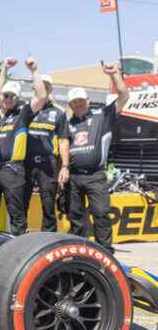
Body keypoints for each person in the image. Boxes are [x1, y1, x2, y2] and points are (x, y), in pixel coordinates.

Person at [65, 63, 129, 250]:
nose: (78, 104)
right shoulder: (67, 124)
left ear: (88, 99)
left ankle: (105, 251)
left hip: (95, 176)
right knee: (75, 216)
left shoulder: (103, 115)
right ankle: (76, 250)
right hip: (74, 176)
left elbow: (124, 96)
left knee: (101, 214)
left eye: (81, 100)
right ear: (70, 104)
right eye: (74, 102)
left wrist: (115, 75)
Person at [0, 58, 47, 234]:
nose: (8, 98)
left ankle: (17, 251)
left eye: (12, 96)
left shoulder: (22, 114)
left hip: (12, 170)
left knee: (16, 215)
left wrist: (34, 70)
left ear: (17, 98)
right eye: (5, 95)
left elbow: (41, 97)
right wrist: (4, 68)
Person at [14, 71, 70, 231]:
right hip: (25, 162)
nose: (43, 89)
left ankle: (48, 238)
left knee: (48, 204)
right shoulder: (24, 109)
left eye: (47, 87)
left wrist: (65, 166)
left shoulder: (59, 111)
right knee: (21, 202)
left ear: (51, 89)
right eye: (41, 86)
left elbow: (63, 139)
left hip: (48, 163)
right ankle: (19, 238)